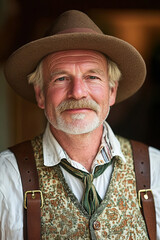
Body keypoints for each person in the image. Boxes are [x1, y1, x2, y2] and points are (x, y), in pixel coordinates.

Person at [0, 10, 160, 240]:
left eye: (92, 77)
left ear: (112, 91)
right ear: (40, 94)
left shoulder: (156, 170)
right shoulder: (5, 178)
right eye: (61, 78)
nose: (77, 92)